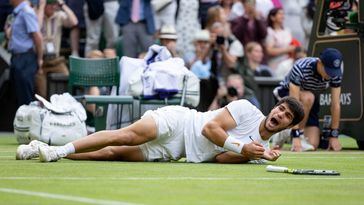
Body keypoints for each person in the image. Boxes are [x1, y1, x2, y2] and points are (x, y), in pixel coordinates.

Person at [16, 96, 304, 164]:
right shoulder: (245, 108)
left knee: (113, 153)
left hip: (177, 150)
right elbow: (209, 129)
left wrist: (252, 154)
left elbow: (219, 158)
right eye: (280, 108)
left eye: (286, 116)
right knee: (125, 135)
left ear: (289, 125)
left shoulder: (258, 151)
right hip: (180, 121)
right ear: (274, 106)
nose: (279, 114)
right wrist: (244, 147)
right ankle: (58, 151)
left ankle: (47, 150)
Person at [272, 48, 343, 151]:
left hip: (310, 101)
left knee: (313, 144)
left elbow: (335, 105)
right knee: (308, 97)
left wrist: (334, 135)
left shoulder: (335, 73)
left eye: (333, 71)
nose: (331, 75)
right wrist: (297, 136)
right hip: (286, 96)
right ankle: (291, 132)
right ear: (319, 63)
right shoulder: (301, 67)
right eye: (328, 70)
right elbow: (294, 102)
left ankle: (286, 131)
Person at [35, 0, 77, 98]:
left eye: (55, 4)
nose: (53, 7)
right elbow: (36, 28)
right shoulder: (37, 14)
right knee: (42, 92)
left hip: (56, 60)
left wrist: (62, 5)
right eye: (50, 4)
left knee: (68, 80)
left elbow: (74, 22)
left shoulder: (59, 15)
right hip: (40, 61)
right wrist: (41, 7)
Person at [7, 0, 43, 107]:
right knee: (17, 97)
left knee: (25, 99)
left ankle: (29, 123)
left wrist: (40, 59)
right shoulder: (17, 13)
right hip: (16, 58)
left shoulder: (27, 12)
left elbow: (38, 37)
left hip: (25, 59)